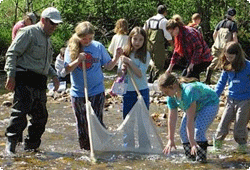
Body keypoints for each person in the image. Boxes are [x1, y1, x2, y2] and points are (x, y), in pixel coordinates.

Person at [4, 7, 62, 155]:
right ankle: (10, 147)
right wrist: (10, 75)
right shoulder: (29, 32)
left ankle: (31, 148)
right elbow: (12, 53)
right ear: (43, 20)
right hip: (24, 78)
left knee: (40, 117)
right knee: (19, 114)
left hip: (40, 82)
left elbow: (45, 63)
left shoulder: (48, 40)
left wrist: (54, 76)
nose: (54, 27)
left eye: (56, 24)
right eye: (52, 23)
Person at [64, 21, 122, 150]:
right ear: (78, 36)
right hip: (78, 92)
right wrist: (78, 60)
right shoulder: (72, 47)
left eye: (90, 38)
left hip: (97, 90)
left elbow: (108, 66)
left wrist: (116, 57)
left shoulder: (98, 46)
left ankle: (99, 148)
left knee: (97, 122)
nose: (87, 41)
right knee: (82, 123)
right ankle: (85, 150)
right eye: (84, 38)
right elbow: (67, 70)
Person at [158, 73, 219, 163]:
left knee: (198, 131)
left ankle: (201, 160)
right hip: (196, 105)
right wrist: (171, 139)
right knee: (182, 132)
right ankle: (191, 159)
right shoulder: (171, 97)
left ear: (174, 86)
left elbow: (190, 120)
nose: (165, 94)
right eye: (163, 92)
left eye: (166, 92)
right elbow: (172, 118)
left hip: (209, 103)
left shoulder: (188, 92)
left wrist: (192, 142)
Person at [213, 42, 250, 153]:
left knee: (239, 127)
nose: (229, 59)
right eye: (227, 57)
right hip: (230, 99)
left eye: (231, 57)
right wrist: (214, 97)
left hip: (245, 100)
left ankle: (242, 148)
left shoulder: (248, 66)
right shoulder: (227, 66)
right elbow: (221, 83)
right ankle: (217, 146)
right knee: (223, 124)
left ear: (237, 55)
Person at [117, 26, 151, 148]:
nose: (137, 42)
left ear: (144, 41)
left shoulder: (145, 54)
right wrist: (123, 69)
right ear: (130, 39)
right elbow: (119, 74)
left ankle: (144, 147)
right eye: (135, 39)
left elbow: (140, 73)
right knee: (128, 122)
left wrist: (129, 62)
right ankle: (128, 147)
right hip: (128, 91)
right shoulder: (125, 53)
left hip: (141, 91)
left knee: (142, 122)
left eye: (140, 40)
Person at [165, 15, 212, 81]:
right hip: (193, 58)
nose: (171, 35)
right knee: (184, 76)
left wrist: (192, 64)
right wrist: (169, 68)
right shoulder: (178, 35)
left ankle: (198, 88)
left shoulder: (189, 33)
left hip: (204, 58)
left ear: (176, 29)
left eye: (171, 32)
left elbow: (199, 48)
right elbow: (176, 52)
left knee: (189, 77)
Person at [204, 8, 238, 84]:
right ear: (234, 16)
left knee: (215, 61)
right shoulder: (233, 24)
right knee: (229, 63)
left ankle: (207, 79)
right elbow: (234, 37)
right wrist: (236, 47)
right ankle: (230, 81)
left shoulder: (220, 23)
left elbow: (214, 34)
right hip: (226, 47)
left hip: (217, 46)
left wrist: (216, 42)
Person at [143, 4, 173, 83]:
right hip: (158, 45)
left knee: (152, 62)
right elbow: (167, 35)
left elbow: (143, 31)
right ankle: (155, 81)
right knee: (159, 63)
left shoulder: (149, 20)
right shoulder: (164, 21)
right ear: (165, 12)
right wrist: (173, 44)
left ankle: (150, 79)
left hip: (149, 44)